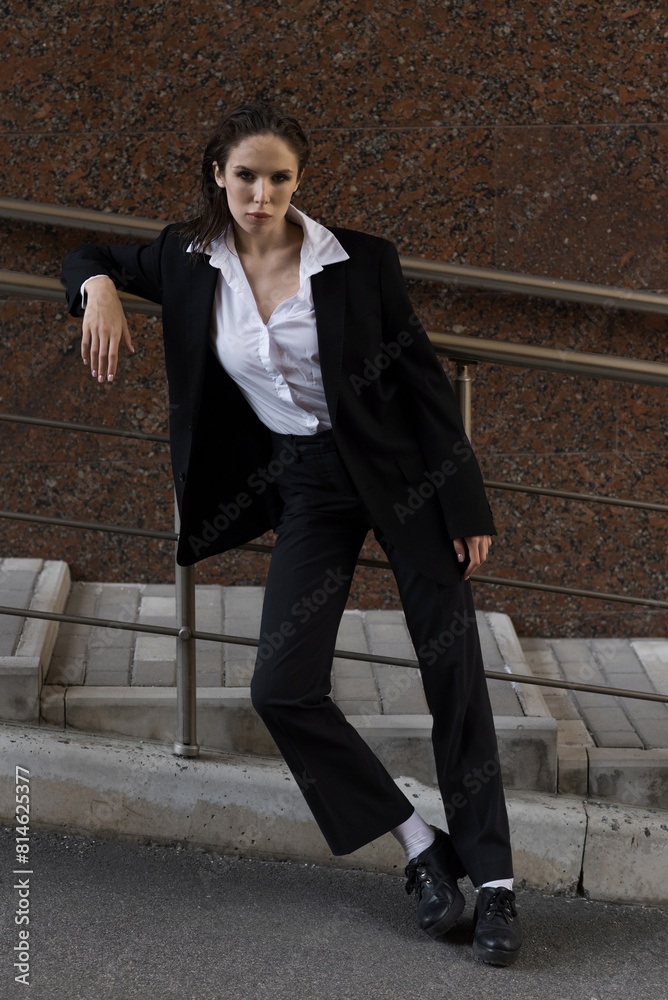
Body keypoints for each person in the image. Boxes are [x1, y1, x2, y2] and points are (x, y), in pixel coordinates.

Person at [61, 101, 523, 966]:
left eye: (279, 178)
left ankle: (494, 883)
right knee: (281, 687)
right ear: (218, 175)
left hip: (401, 481)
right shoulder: (187, 260)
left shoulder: (359, 262)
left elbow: (422, 383)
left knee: (451, 672)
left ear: (299, 182)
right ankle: (422, 847)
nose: (261, 193)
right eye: (245, 176)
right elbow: (87, 254)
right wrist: (95, 290)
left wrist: (466, 507)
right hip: (308, 484)